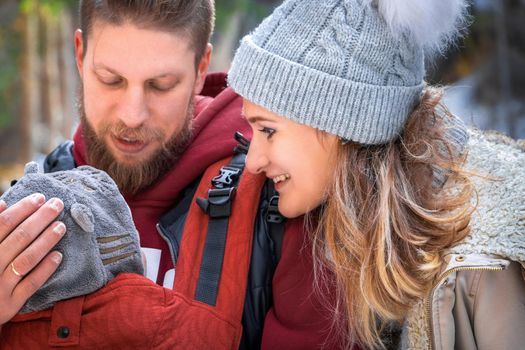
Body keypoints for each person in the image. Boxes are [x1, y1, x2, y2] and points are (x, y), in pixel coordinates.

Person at [0, 1, 338, 349]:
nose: (133, 116)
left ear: (201, 68)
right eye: (111, 80)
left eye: (160, 85)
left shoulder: (283, 198)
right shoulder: (30, 198)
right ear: (80, 54)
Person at [227, 0, 525, 349]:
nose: (253, 162)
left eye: (268, 131)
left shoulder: (481, 269)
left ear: (344, 123)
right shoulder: (354, 220)